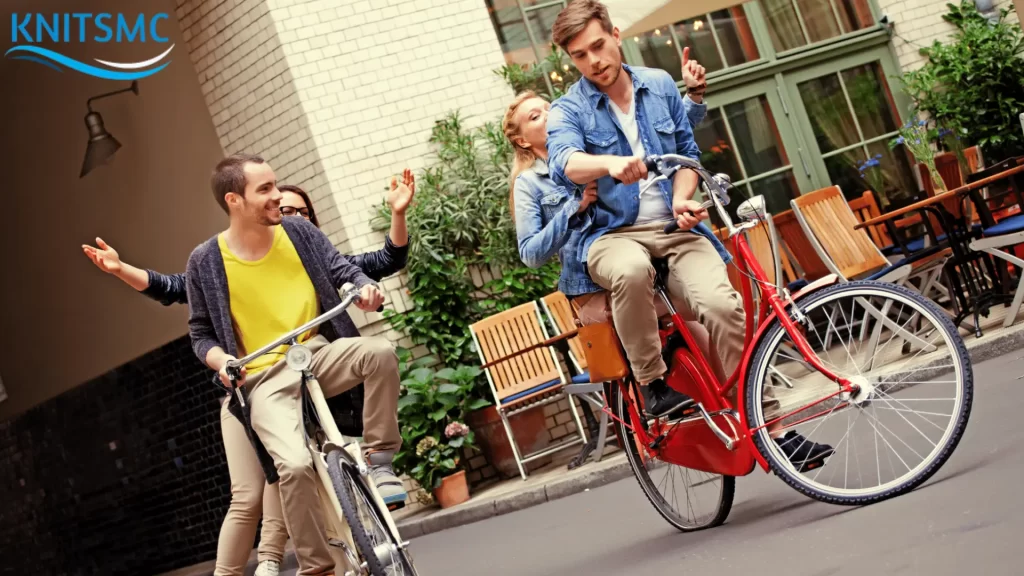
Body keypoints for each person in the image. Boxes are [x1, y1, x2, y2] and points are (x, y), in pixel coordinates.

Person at [82, 176, 415, 576]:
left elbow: (367, 267)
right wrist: (123, 271)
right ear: (235, 201)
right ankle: (291, 566)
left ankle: (376, 467)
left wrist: (370, 272)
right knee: (266, 484)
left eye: (296, 209)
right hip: (251, 385)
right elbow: (178, 293)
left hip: (315, 360)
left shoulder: (306, 243)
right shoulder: (211, 262)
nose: (282, 206)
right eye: (272, 196)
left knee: (377, 355)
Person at [546, 0, 832, 466]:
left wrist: (682, 197)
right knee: (632, 269)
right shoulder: (569, 110)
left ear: (615, 35)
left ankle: (771, 430)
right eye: (580, 55)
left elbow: (686, 152)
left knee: (722, 307)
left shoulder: (658, 86)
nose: (593, 60)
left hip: (675, 230)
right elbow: (564, 162)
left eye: (598, 46)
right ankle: (652, 382)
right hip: (611, 237)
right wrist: (610, 164)